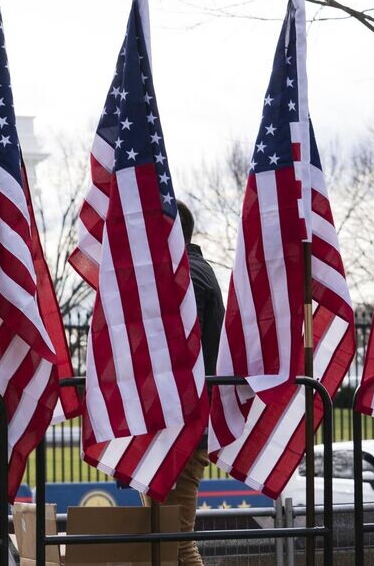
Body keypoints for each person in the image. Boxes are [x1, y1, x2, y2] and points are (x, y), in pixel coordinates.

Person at [143, 201, 224, 566]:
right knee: (166, 542)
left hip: (182, 428)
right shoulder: (197, 271)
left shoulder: (188, 274)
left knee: (176, 542)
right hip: (179, 425)